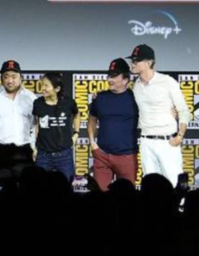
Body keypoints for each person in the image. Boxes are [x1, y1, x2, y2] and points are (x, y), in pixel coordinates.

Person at [128, 44, 190, 186]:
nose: (133, 63)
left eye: (137, 60)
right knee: (150, 185)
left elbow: (183, 111)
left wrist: (180, 136)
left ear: (149, 63)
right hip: (146, 141)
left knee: (174, 182)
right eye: (132, 60)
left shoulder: (167, 81)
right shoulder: (135, 85)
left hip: (167, 140)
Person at [87, 58, 139, 191]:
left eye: (114, 76)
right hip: (102, 156)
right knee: (99, 197)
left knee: (126, 198)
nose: (110, 79)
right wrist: (92, 143)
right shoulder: (100, 97)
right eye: (109, 75)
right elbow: (92, 119)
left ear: (125, 80)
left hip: (127, 157)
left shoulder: (136, 98)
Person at [32, 72, 81, 182]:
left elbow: (77, 115)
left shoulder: (69, 103)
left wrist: (76, 133)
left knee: (67, 186)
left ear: (57, 89)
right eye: (42, 84)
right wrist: (35, 147)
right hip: (43, 155)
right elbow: (37, 125)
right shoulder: (38, 103)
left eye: (46, 85)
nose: (43, 88)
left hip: (64, 155)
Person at [0, 60, 36, 156]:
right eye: (6, 77)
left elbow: (35, 125)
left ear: (21, 78)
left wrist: (34, 146)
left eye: (14, 77)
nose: (10, 81)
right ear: (1, 78)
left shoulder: (31, 97)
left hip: (23, 149)